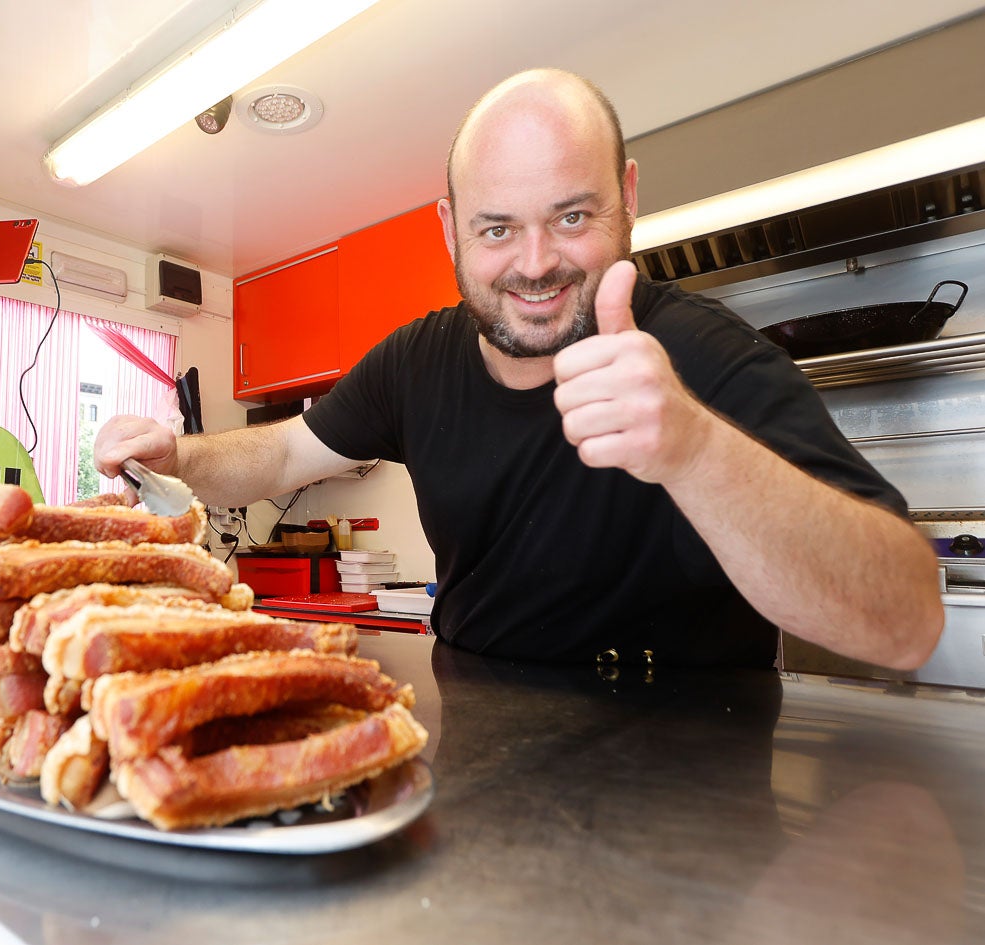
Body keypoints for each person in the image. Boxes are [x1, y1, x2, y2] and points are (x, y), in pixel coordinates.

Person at [95, 68, 943, 670]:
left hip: (688, 785)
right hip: (478, 754)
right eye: (496, 228)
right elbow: (280, 457)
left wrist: (692, 448)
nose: (534, 264)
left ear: (629, 196)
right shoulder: (413, 360)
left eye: (571, 215)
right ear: (448, 226)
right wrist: (181, 455)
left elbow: (906, 625)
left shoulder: (707, 356)